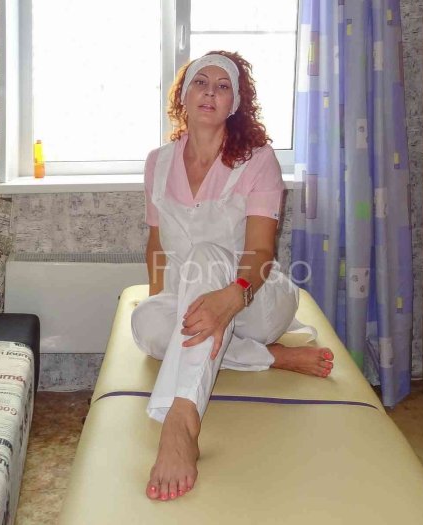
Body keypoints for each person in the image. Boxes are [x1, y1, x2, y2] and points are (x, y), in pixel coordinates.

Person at [131, 50, 335, 502]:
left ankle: (181, 419)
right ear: (183, 96)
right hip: (196, 302)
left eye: (222, 86)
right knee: (145, 325)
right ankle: (271, 358)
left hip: (255, 299)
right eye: (200, 83)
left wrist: (232, 296)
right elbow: (156, 244)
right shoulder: (157, 162)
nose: (210, 92)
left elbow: (261, 251)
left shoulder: (258, 160)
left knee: (206, 255)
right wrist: (161, 300)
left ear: (235, 102)